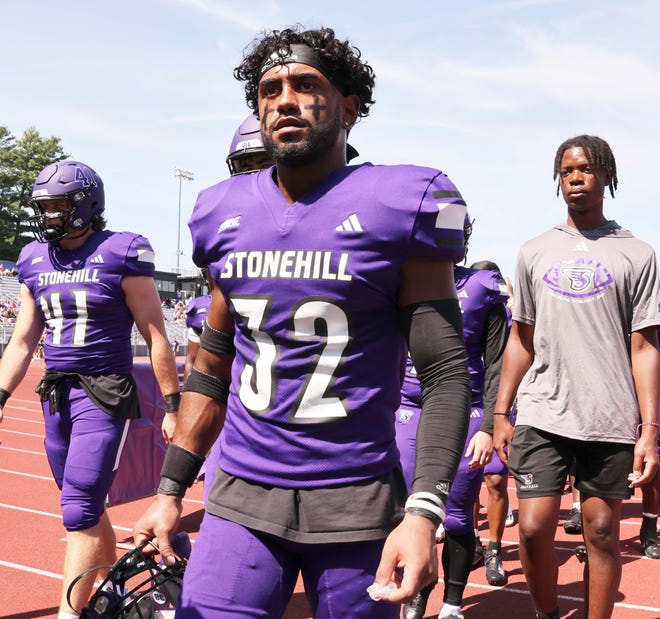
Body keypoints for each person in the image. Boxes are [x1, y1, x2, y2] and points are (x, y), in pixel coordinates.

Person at [133, 25, 472, 618]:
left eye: (304, 83)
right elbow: (211, 370)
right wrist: (170, 490)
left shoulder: (399, 201)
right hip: (240, 492)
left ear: (349, 107)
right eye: (268, 90)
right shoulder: (222, 211)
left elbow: (443, 373)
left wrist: (423, 513)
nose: (283, 99)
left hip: (356, 499)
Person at [0, 160, 181, 619]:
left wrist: (173, 405)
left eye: (59, 205)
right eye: (45, 206)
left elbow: (156, 334)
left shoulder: (121, 251)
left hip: (103, 392)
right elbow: (23, 340)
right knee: (81, 502)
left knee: (79, 508)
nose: (51, 215)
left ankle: (68, 614)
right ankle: (109, 585)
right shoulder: (35, 258)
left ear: (87, 204)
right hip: (56, 394)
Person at [493, 135, 660, 619]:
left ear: (607, 175)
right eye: (566, 171)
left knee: (603, 532)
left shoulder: (638, 254)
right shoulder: (533, 251)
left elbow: (645, 347)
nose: (575, 177)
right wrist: (502, 412)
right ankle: (547, 614)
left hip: (608, 416)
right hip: (542, 410)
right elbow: (520, 339)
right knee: (530, 527)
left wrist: (650, 431)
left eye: (585, 169)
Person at [398, 229, 510, 619]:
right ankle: (415, 598)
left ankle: (452, 604)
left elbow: (497, 362)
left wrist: (490, 425)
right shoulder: (401, 280)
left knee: (458, 515)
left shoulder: (481, 287)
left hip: (467, 407)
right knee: (406, 508)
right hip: (406, 405)